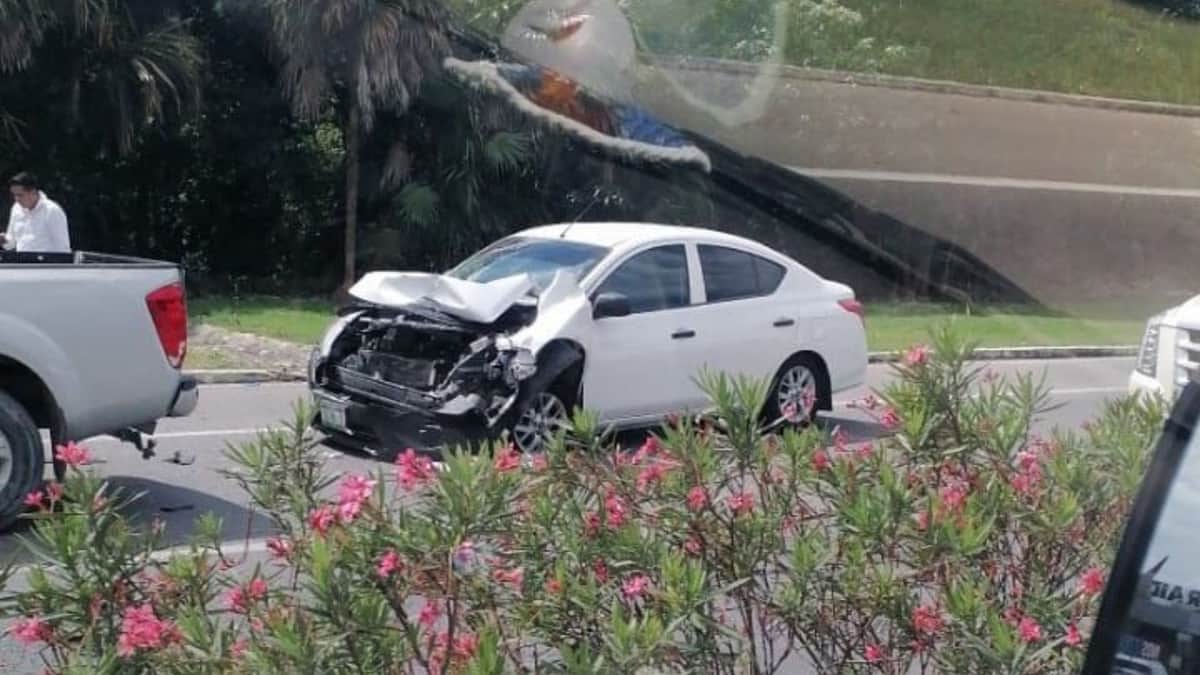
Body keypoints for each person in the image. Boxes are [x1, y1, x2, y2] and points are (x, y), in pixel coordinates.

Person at [2, 172, 71, 253]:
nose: (16, 199)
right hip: (22, 263)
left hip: (46, 264)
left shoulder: (52, 211)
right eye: (14, 195)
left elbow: (63, 248)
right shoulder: (16, 208)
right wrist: (3, 240)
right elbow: (11, 244)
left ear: (33, 192)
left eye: (20, 195)